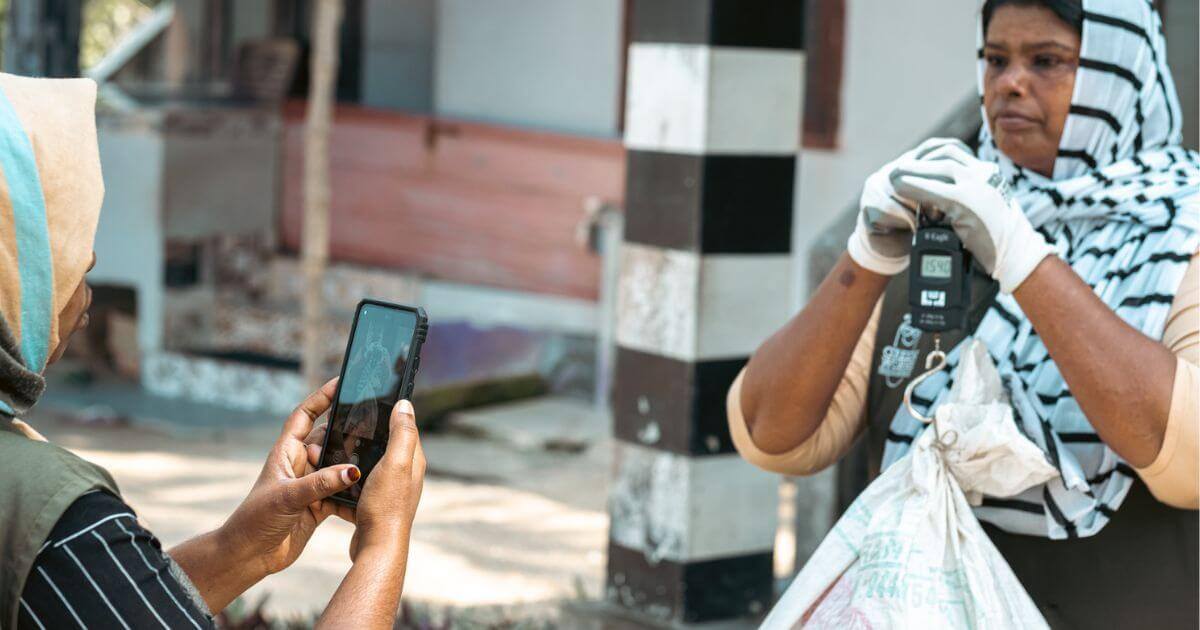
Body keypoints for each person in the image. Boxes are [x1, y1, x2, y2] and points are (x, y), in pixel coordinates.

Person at [729, 0, 1197, 627]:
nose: (1010, 83)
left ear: (1123, 76)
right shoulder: (942, 227)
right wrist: (866, 256)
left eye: (1048, 61)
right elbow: (771, 437)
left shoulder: (1183, 231)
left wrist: (1026, 259)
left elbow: (1190, 463)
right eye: (995, 60)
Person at [0, 73, 426, 629]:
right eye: (71, 236)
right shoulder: (46, 513)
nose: (90, 265)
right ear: (16, 265)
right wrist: (383, 546)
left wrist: (244, 546)